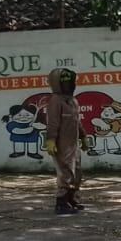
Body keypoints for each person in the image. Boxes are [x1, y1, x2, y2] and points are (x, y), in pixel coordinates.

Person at [44, 68, 84, 215]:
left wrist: (83, 136)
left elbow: (77, 121)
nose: (68, 85)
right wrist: (51, 140)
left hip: (73, 144)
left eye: (70, 81)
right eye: (64, 82)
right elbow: (53, 122)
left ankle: (73, 199)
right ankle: (61, 202)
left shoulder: (73, 101)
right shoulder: (55, 101)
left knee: (77, 172)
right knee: (65, 172)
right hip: (61, 144)